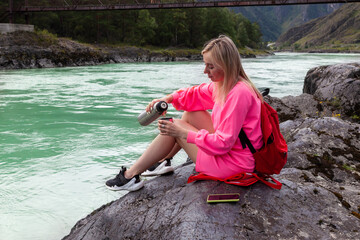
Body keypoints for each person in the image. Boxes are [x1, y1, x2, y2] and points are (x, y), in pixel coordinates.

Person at [105, 35, 264, 191]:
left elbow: (223, 143)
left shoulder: (238, 94)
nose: (205, 71)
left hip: (234, 165)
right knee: (190, 114)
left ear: (226, 65)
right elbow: (195, 94)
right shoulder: (225, 85)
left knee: (173, 126)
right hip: (235, 153)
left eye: (210, 66)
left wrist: (183, 134)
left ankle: (130, 175)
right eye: (205, 65)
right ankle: (162, 160)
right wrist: (168, 98)